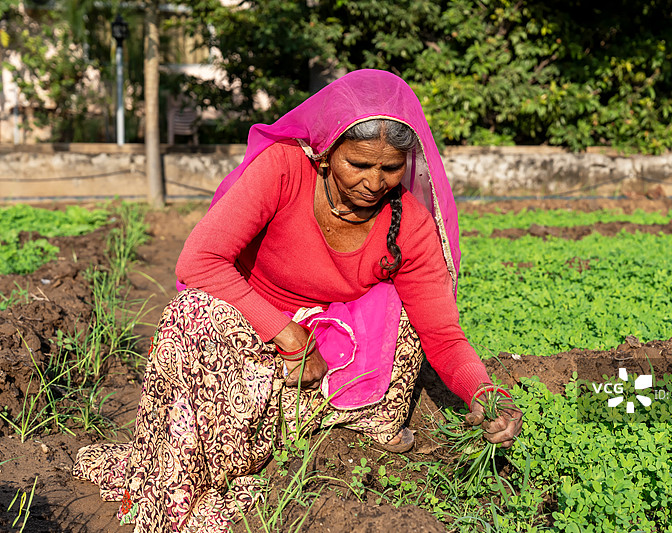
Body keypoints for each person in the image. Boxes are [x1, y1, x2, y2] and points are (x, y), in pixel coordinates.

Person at [73, 69, 523, 533]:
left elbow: (442, 333)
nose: (374, 182)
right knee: (190, 312)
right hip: (252, 331)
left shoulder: (408, 221)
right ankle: (197, 471)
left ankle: (292, 435)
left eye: (390, 168)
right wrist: (287, 335)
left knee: (406, 313)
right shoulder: (284, 168)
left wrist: (484, 393)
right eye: (359, 165)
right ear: (327, 154)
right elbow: (199, 261)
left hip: (328, 362)